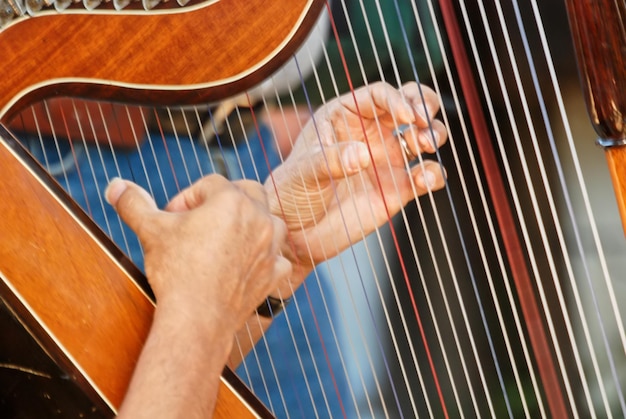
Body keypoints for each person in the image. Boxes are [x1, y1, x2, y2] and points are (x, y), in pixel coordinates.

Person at [106, 81, 446, 418]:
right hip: (97, 141)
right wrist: (199, 310)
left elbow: (170, 394)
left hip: (241, 136)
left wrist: (286, 255)